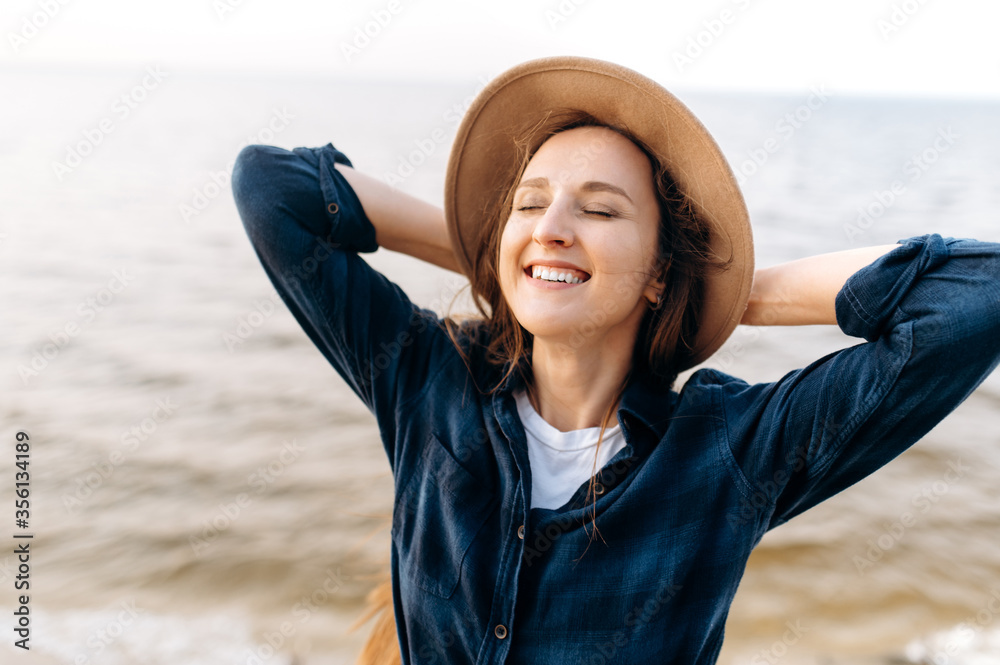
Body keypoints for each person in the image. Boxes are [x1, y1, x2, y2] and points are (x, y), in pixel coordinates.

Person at [231, 56, 1000, 665]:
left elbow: (977, 296)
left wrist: (732, 294)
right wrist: (505, 257)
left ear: (662, 271)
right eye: (530, 203)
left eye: (599, 210)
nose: (555, 225)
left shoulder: (727, 448)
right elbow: (272, 189)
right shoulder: (427, 378)